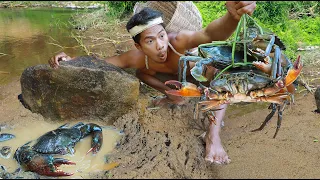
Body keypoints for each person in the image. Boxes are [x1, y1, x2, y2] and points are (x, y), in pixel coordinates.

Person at [49, 1, 256, 165]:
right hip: (173, 82)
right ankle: (173, 97)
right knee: (142, 72)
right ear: (138, 46)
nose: (160, 45)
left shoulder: (179, 41)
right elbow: (100, 63)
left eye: (162, 36)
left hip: (196, 76)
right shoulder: (136, 57)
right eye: (150, 41)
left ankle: (213, 136)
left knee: (218, 72)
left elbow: (210, 34)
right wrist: (70, 61)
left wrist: (232, 16)